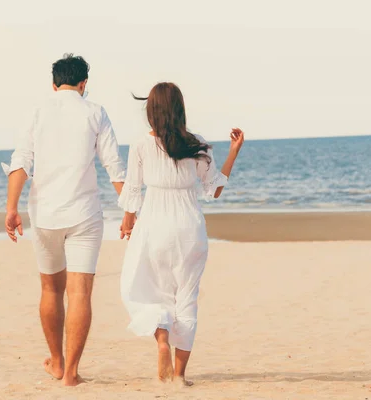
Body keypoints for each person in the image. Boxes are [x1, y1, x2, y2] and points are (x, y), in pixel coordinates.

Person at [2, 53, 126, 386]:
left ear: (54, 83)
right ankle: (71, 373)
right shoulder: (95, 112)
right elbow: (114, 165)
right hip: (84, 214)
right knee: (80, 293)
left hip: (45, 214)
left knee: (50, 288)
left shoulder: (36, 112)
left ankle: (56, 362)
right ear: (83, 84)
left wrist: (11, 208)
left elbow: (21, 162)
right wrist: (130, 209)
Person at [118, 82, 244, 385]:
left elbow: (133, 191)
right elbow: (214, 189)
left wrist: (127, 221)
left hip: (155, 226)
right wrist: (234, 152)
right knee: (187, 298)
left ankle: (162, 339)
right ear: (179, 109)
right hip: (189, 228)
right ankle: (180, 375)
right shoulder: (196, 143)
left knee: (153, 290)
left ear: (152, 111)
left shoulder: (141, 145)